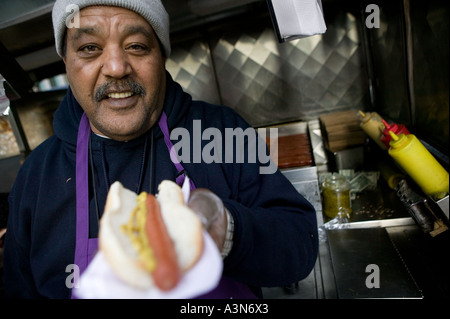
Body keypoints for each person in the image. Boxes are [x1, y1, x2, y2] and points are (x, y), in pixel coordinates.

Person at [2, 0, 318, 299]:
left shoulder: (219, 133)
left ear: (161, 55)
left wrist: (228, 229)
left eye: (136, 46)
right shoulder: (36, 176)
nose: (116, 67)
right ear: (67, 63)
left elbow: (300, 245)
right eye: (89, 48)